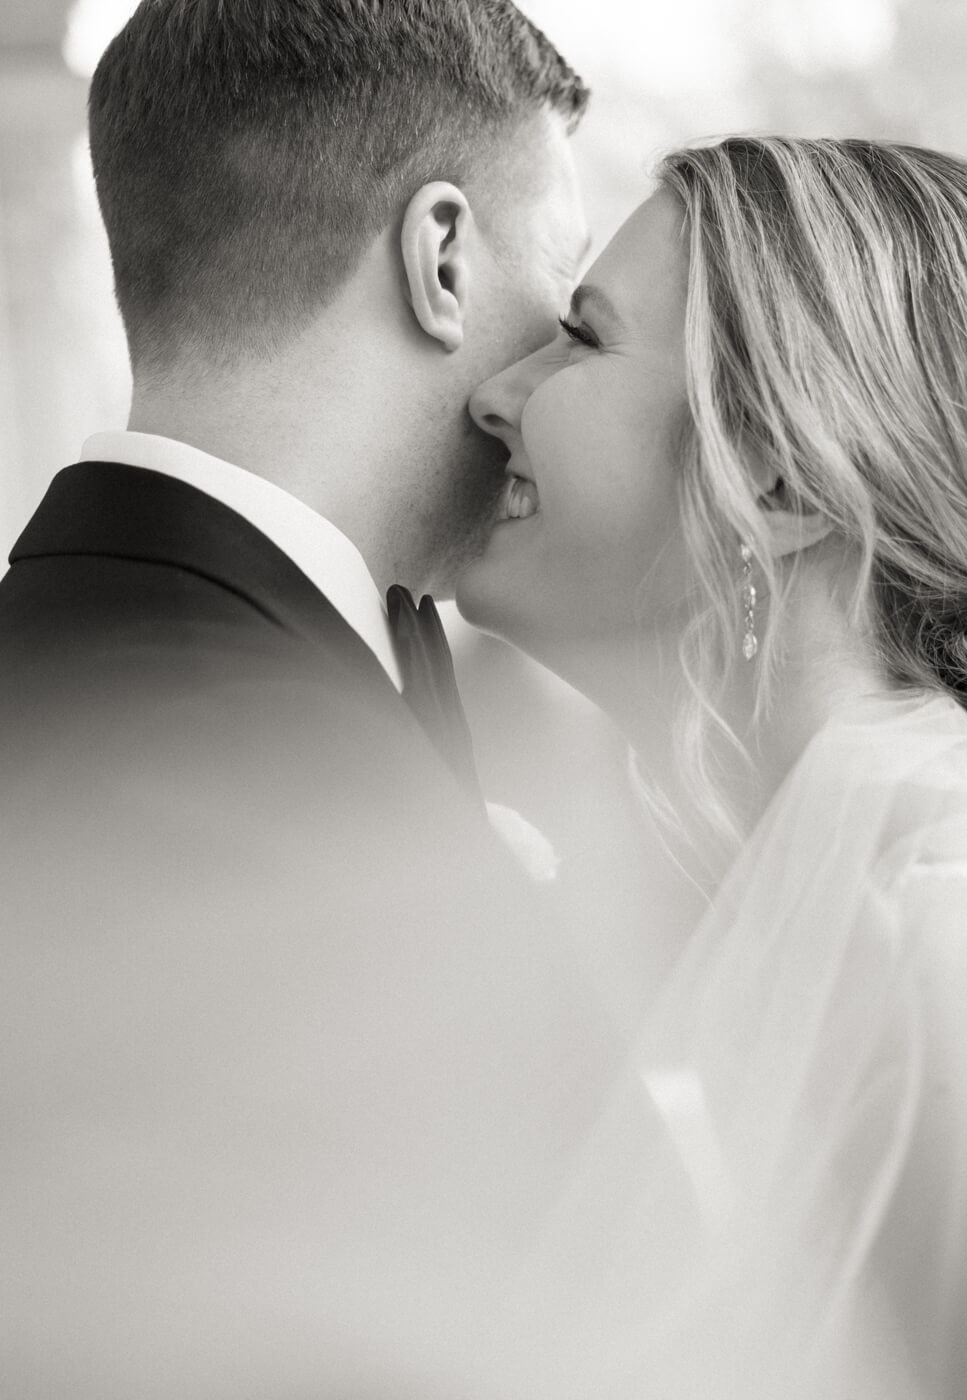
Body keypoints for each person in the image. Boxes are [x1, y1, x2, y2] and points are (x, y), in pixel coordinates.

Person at [0, 4, 655, 1396]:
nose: (557, 360)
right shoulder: (230, 770)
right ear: (440, 258)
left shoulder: (112, 655)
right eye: (565, 273)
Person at [458, 136, 967, 1397]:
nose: (492, 393)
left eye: (582, 336)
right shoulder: (806, 888)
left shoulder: (961, 920)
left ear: (775, 476)